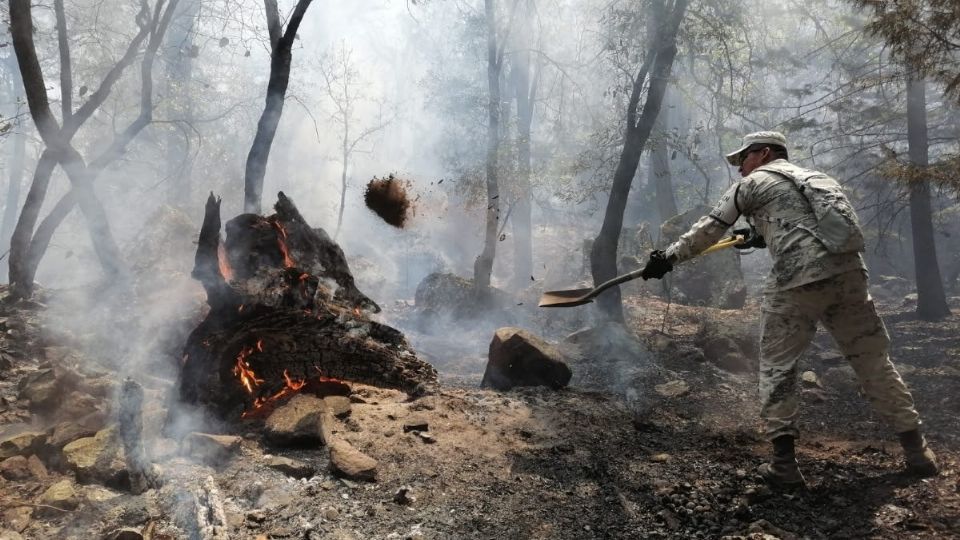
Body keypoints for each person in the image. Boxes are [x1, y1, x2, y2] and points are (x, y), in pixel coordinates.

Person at [640, 131, 938, 487]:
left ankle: (784, 465)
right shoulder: (818, 179)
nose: (740, 169)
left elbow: (709, 229)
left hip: (797, 279)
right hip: (850, 276)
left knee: (778, 366)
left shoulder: (752, 184)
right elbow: (813, 225)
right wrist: (761, 234)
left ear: (764, 153)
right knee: (874, 362)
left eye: (744, 159)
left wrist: (667, 258)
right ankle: (917, 451)